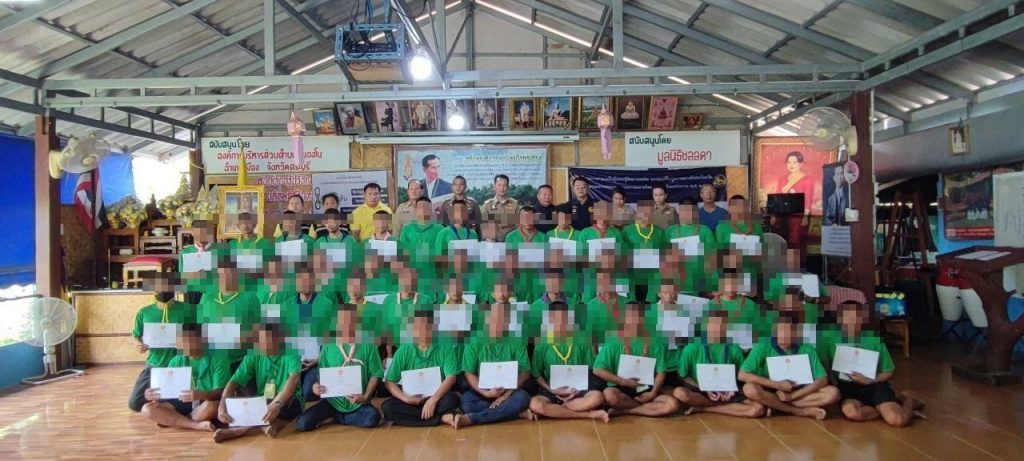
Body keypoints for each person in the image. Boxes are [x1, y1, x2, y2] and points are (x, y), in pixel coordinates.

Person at [819, 301, 923, 427]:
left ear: (862, 318)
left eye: (856, 317)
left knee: (898, 421)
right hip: (847, 387)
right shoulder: (829, 339)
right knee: (852, 413)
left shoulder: (874, 340)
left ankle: (909, 402)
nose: (852, 322)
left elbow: (890, 371)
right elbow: (824, 366)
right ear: (839, 319)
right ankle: (884, 409)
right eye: (847, 317)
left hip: (875, 386)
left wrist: (870, 381)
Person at [295, 304, 384, 431]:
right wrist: (316, 386)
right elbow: (322, 375)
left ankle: (337, 418)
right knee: (302, 423)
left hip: (357, 402)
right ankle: (340, 417)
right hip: (332, 401)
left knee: (373, 418)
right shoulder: (329, 346)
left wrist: (365, 397)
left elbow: (376, 373)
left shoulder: (368, 345)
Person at [445, 302, 534, 429]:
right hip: (483, 390)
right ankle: (515, 413)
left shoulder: (516, 340)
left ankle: (472, 419)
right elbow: (469, 372)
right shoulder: (474, 342)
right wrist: (486, 393)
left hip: (509, 390)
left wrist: (507, 394)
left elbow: (525, 371)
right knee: (466, 403)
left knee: (523, 398)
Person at [738, 313, 840, 420]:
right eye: (781, 331)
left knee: (833, 393)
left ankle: (774, 405)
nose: (784, 335)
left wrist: (792, 396)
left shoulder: (806, 348)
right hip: (769, 389)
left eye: (789, 331)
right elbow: (742, 375)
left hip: (798, 391)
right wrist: (777, 385)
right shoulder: (762, 346)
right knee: (749, 389)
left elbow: (822, 379)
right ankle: (798, 411)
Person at [214, 323, 303, 443]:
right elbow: (234, 380)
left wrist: (276, 404)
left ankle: (238, 431)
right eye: (260, 340)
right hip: (264, 400)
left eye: (268, 340)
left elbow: (294, 378)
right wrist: (222, 405)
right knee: (249, 405)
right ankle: (267, 427)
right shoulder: (255, 353)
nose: (263, 344)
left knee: (286, 407)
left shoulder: (291, 352)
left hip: (288, 399)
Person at [672, 310, 766, 418]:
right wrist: (704, 388)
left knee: (758, 409)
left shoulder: (733, 347)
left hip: (728, 391)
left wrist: (731, 389)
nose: (717, 328)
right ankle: (727, 406)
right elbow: (682, 375)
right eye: (713, 325)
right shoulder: (692, 348)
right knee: (680, 393)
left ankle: (705, 408)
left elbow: (741, 374)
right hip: (702, 390)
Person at [593, 302, 678, 417]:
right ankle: (648, 409)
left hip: (646, 387)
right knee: (610, 395)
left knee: (673, 405)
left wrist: (653, 393)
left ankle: (625, 411)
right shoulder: (613, 342)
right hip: (620, 387)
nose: (635, 321)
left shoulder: (656, 342)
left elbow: (661, 372)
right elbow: (597, 369)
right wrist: (623, 381)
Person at [140, 323, 229, 432]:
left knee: (212, 407)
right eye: (182, 342)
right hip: (182, 402)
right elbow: (166, 393)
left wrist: (203, 394)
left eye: (190, 341)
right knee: (147, 409)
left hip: (205, 401)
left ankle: (174, 420)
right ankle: (195, 425)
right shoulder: (176, 361)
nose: (184, 345)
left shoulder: (219, 359)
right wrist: (153, 394)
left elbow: (221, 392)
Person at [528, 301, 609, 421]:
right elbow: (536, 373)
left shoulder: (583, 340)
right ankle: (587, 414)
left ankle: (558, 410)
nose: (560, 323)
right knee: (535, 404)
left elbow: (591, 369)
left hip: (580, 389)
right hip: (553, 388)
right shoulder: (542, 343)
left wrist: (577, 390)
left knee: (597, 397)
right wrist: (550, 389)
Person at [129, 274, 196, 413]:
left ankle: (165, 403)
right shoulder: (144, 313)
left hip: (182, 364)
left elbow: (198, 332)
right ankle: (162, 400)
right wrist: (139, 344)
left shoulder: (188, 309)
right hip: (155, 364)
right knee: (135, 403)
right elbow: (136, 335)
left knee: (187, 401)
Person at [382, 310, 461, 426]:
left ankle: (421, 417)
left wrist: (433, 400)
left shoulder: (446, 348)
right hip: (411, 399)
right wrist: (406, 399)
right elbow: (389, 381)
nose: (422, 330)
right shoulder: (403, 350)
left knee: (453, 399)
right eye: (418, 327)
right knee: (387, 408)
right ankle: (441, 418)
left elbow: (451, 377)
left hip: (437, 397)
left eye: (427, 326)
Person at [622, 200, 665, 303]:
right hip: (633, 275)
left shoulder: (660, 231)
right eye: (643, 212)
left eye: (649, 212)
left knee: (650, 303)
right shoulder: (627, 231)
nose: (646, 215)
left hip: (653, 277)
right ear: (637, 212)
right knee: (633, 303)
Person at [482, 174, 519, 239]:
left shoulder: (515, 204)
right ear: (494, 186)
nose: (502, 188)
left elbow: (518, 226)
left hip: (511, 239)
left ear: (508, 187)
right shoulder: (487, 205)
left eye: (504, 185)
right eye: (499, 185)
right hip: (493, 240)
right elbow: (485, 226)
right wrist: (491, 240)